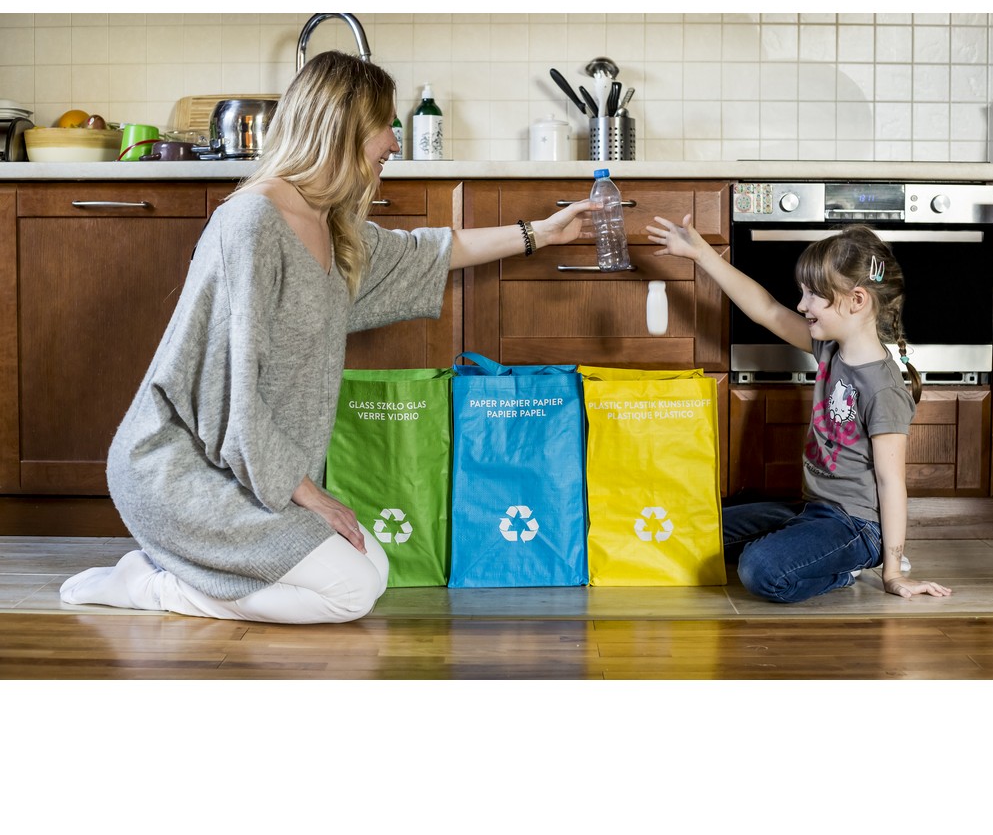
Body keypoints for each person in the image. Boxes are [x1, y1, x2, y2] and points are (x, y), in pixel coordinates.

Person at [59, 50, 596, 625]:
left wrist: (542, 233)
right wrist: (308, 494)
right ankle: (151, 584)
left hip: (248, 472)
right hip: (183, 471)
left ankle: (186, 572)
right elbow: (225, 392)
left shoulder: (331, 227)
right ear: (343, 128)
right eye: (385, 124)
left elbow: (429, 253)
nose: (394, 141)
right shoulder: (251, 223)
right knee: (350, 592)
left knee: (375, 568)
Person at [646, 213, 953, 604]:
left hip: (856, 526)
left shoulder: (884, 388)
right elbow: (767, 310)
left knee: (759, 570)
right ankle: (806, 549)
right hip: (813, 510)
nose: (801, 304)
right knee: (693, 528)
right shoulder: (830, 348)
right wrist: (701, 253)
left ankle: (847, 567)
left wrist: (892, 572)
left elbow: (892, 483)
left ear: (857, 300)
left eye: (812, 295)